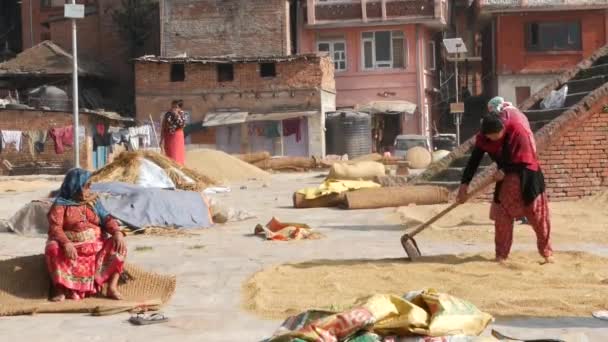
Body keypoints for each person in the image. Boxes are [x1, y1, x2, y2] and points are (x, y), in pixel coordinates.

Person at [457, 97, 553, 264]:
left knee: (538, 216)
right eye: (490, 137)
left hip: (527, 175)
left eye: (497, 136)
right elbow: (474, 159)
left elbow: (526, 158)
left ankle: (547, 253)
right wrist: (464, 184)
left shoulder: (518, 129)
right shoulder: (484, 136)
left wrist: (505, 170)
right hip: (505, 177)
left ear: (503, 129)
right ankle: (501, 255)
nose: (494, 139)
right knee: (502, 215)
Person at [46, 168, 127, 302]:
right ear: (75, 186)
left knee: (118, 245)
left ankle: (112, 287)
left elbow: (106, 219)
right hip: (71, 246)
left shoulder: (93, 202)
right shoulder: (60, 205)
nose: (89, 189)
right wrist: (66, 243)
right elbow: (55, 227)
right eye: (86, 186)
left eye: (90, 185)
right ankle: (59, 288)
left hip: (96, 245)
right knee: (52, 248)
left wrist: (117, 232)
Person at [160, 100, 186, 165]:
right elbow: (163, 127)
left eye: (176, 107)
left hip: (178, 137)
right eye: (172, 106)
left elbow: (182, 125)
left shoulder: (182, 114)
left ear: (180, 108)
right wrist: (161, 139)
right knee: (171, 156)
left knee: (178, 156)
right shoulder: (167, 115)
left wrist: (176, 115)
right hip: (169, 137)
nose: (173, 108)